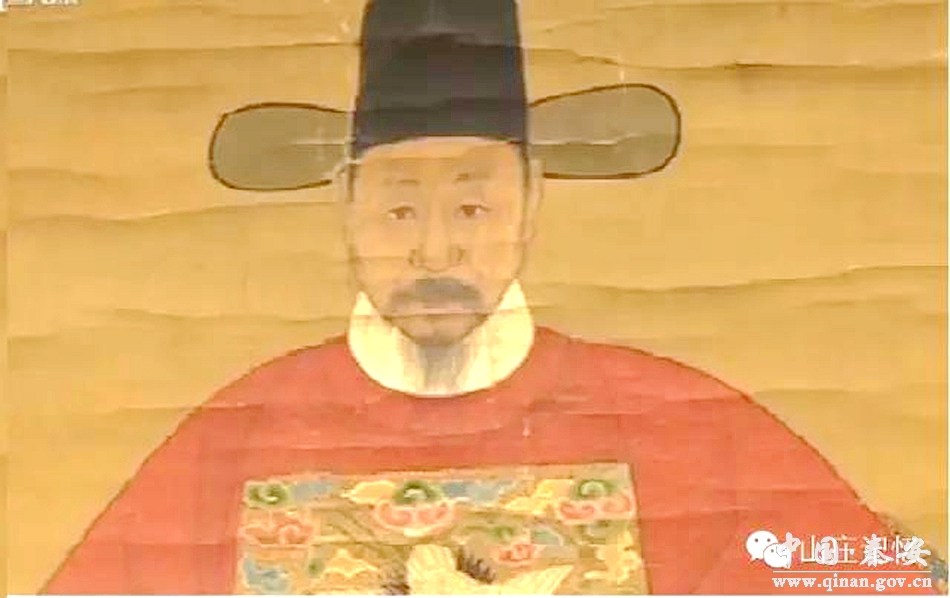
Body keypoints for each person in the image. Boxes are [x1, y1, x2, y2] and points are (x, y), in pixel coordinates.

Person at [42, 0, 938, 594]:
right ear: (345, 207)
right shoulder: (240, 434)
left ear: (532, 202)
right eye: (399, 209)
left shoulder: (678, 420)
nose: (436, 249)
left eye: (472, 206)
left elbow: (874, 577)